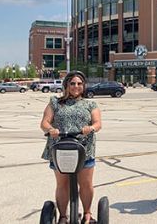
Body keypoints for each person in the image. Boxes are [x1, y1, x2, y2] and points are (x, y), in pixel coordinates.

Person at [40, 71, 102, 224]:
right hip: (60, 148)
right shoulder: (55, 102)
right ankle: (63, 216)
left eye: (79, 83)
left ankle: (87, 214)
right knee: (62, 184)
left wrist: (91, 128)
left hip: (84, 149)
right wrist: (50, 130)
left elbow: (98, 123)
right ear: (66, 85)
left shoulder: (90, 104)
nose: (76, 86)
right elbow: (44, 123)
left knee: (86, 184)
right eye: (72, 83)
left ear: (84, 86)